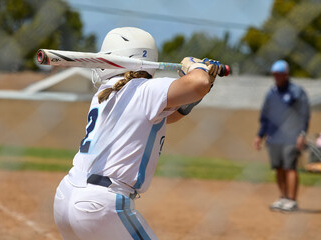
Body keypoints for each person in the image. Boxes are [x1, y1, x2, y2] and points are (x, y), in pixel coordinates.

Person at [53, 27, 222, 240]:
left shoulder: (106, 92)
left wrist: (202, 88)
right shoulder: (144, 89)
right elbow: (198, 83)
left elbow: (166, 117)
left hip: (66, 194)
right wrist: (196, 67)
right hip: (101, 205)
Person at [253, 59, 310, 212]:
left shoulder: (296, 91)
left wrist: (302, 134)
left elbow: (304, 114)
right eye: (274, 74)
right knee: (278, 168)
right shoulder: (271, 93)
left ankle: (292, 200)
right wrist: (260, 135)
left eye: (279, 74)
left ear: (286, 74)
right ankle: (283, 197)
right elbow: (265, 116)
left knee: (290, 167)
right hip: (273, 136)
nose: (276, 77)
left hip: (291, 136)